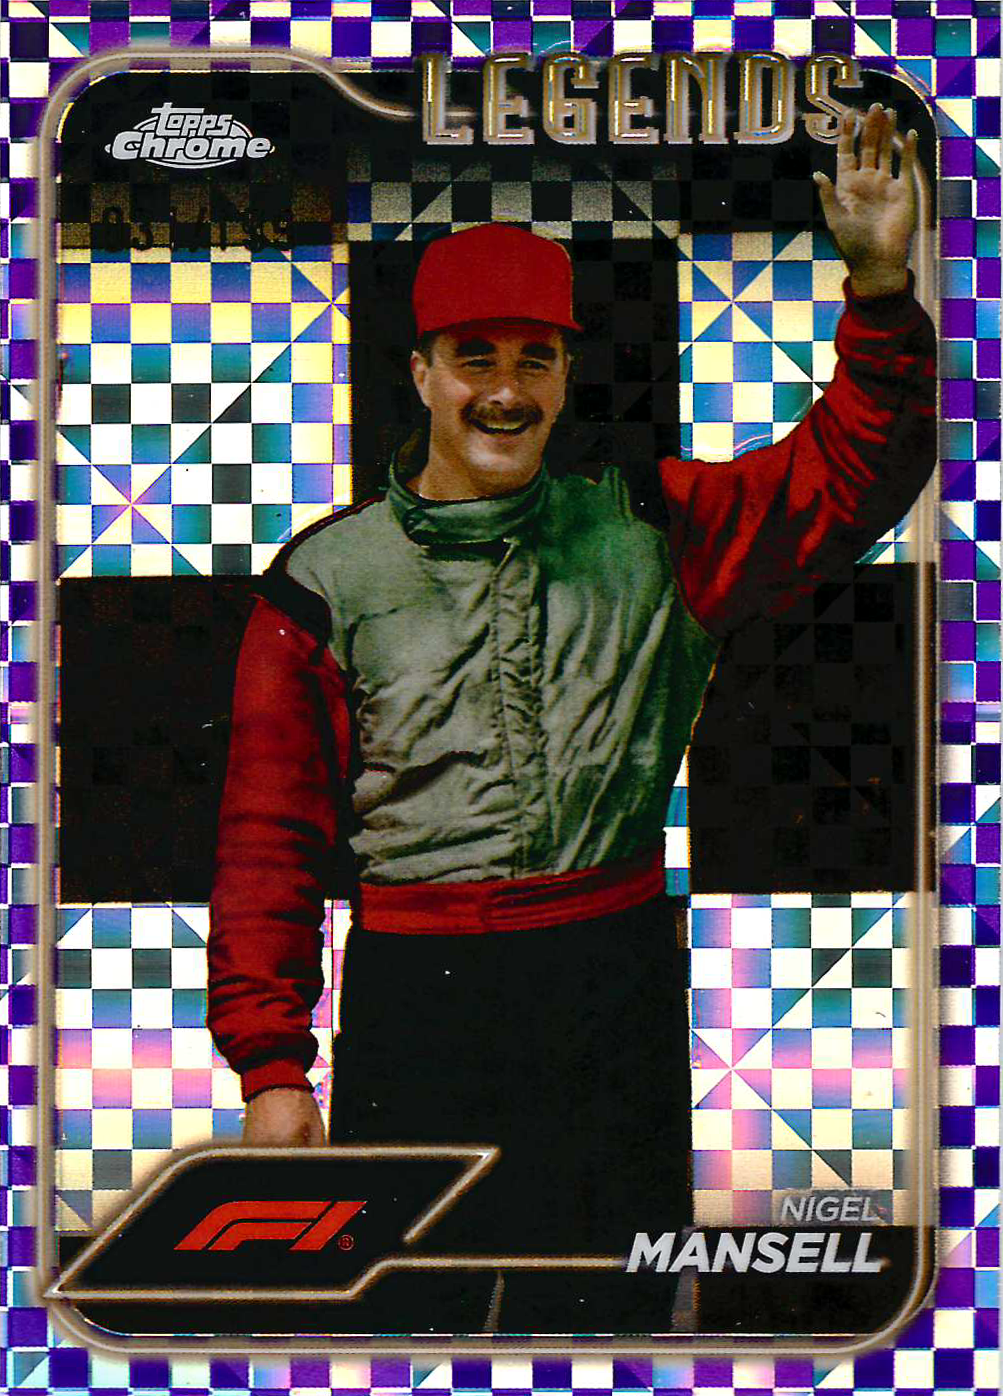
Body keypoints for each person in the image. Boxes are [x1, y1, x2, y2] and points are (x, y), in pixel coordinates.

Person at [207, 105, 935, 1332]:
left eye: (533, 358)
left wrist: (874, 287)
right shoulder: (322, 582)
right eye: (474, 357)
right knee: (408, 1328)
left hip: (608, 986)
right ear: (422, 372)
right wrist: (273, 1067)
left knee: (619, 1321)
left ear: (564, 372)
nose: (505, 391)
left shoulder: (653, 529)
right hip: (417, 1000)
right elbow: (265, 842)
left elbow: (853, 473)